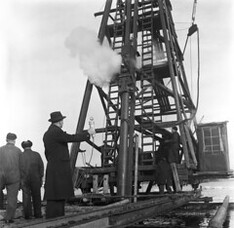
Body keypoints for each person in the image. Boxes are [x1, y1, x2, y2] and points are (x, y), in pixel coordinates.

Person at [43, 111, 95, 219]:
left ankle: (55, 217)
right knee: (58, 193)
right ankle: (56, 218)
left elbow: (47, 153)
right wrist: (87, 133)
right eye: (62, 121)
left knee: (56, 193)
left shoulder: (48, 133)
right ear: (60, 121)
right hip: (59, 167)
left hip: (54, 166)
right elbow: (71, 138)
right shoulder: (56, 132)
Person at [0, 133, 22, 224]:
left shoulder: (0, 150)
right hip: (14, 177)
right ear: (14, 140)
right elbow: (21, 165)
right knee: (12, 198)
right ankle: (8, 218)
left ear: (6, 139)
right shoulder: (18, 151)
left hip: (1, 176)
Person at [19, 140, 44, 219]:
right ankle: (38, 214)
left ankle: (27, 215)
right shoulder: (36, 155)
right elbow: (41, 167)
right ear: (31, 146)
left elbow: (18, 168)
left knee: (26, 197)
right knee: (37, 196)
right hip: (36, 178)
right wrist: (41, 177)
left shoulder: (20, 156)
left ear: (23, 147)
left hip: (24, 179)